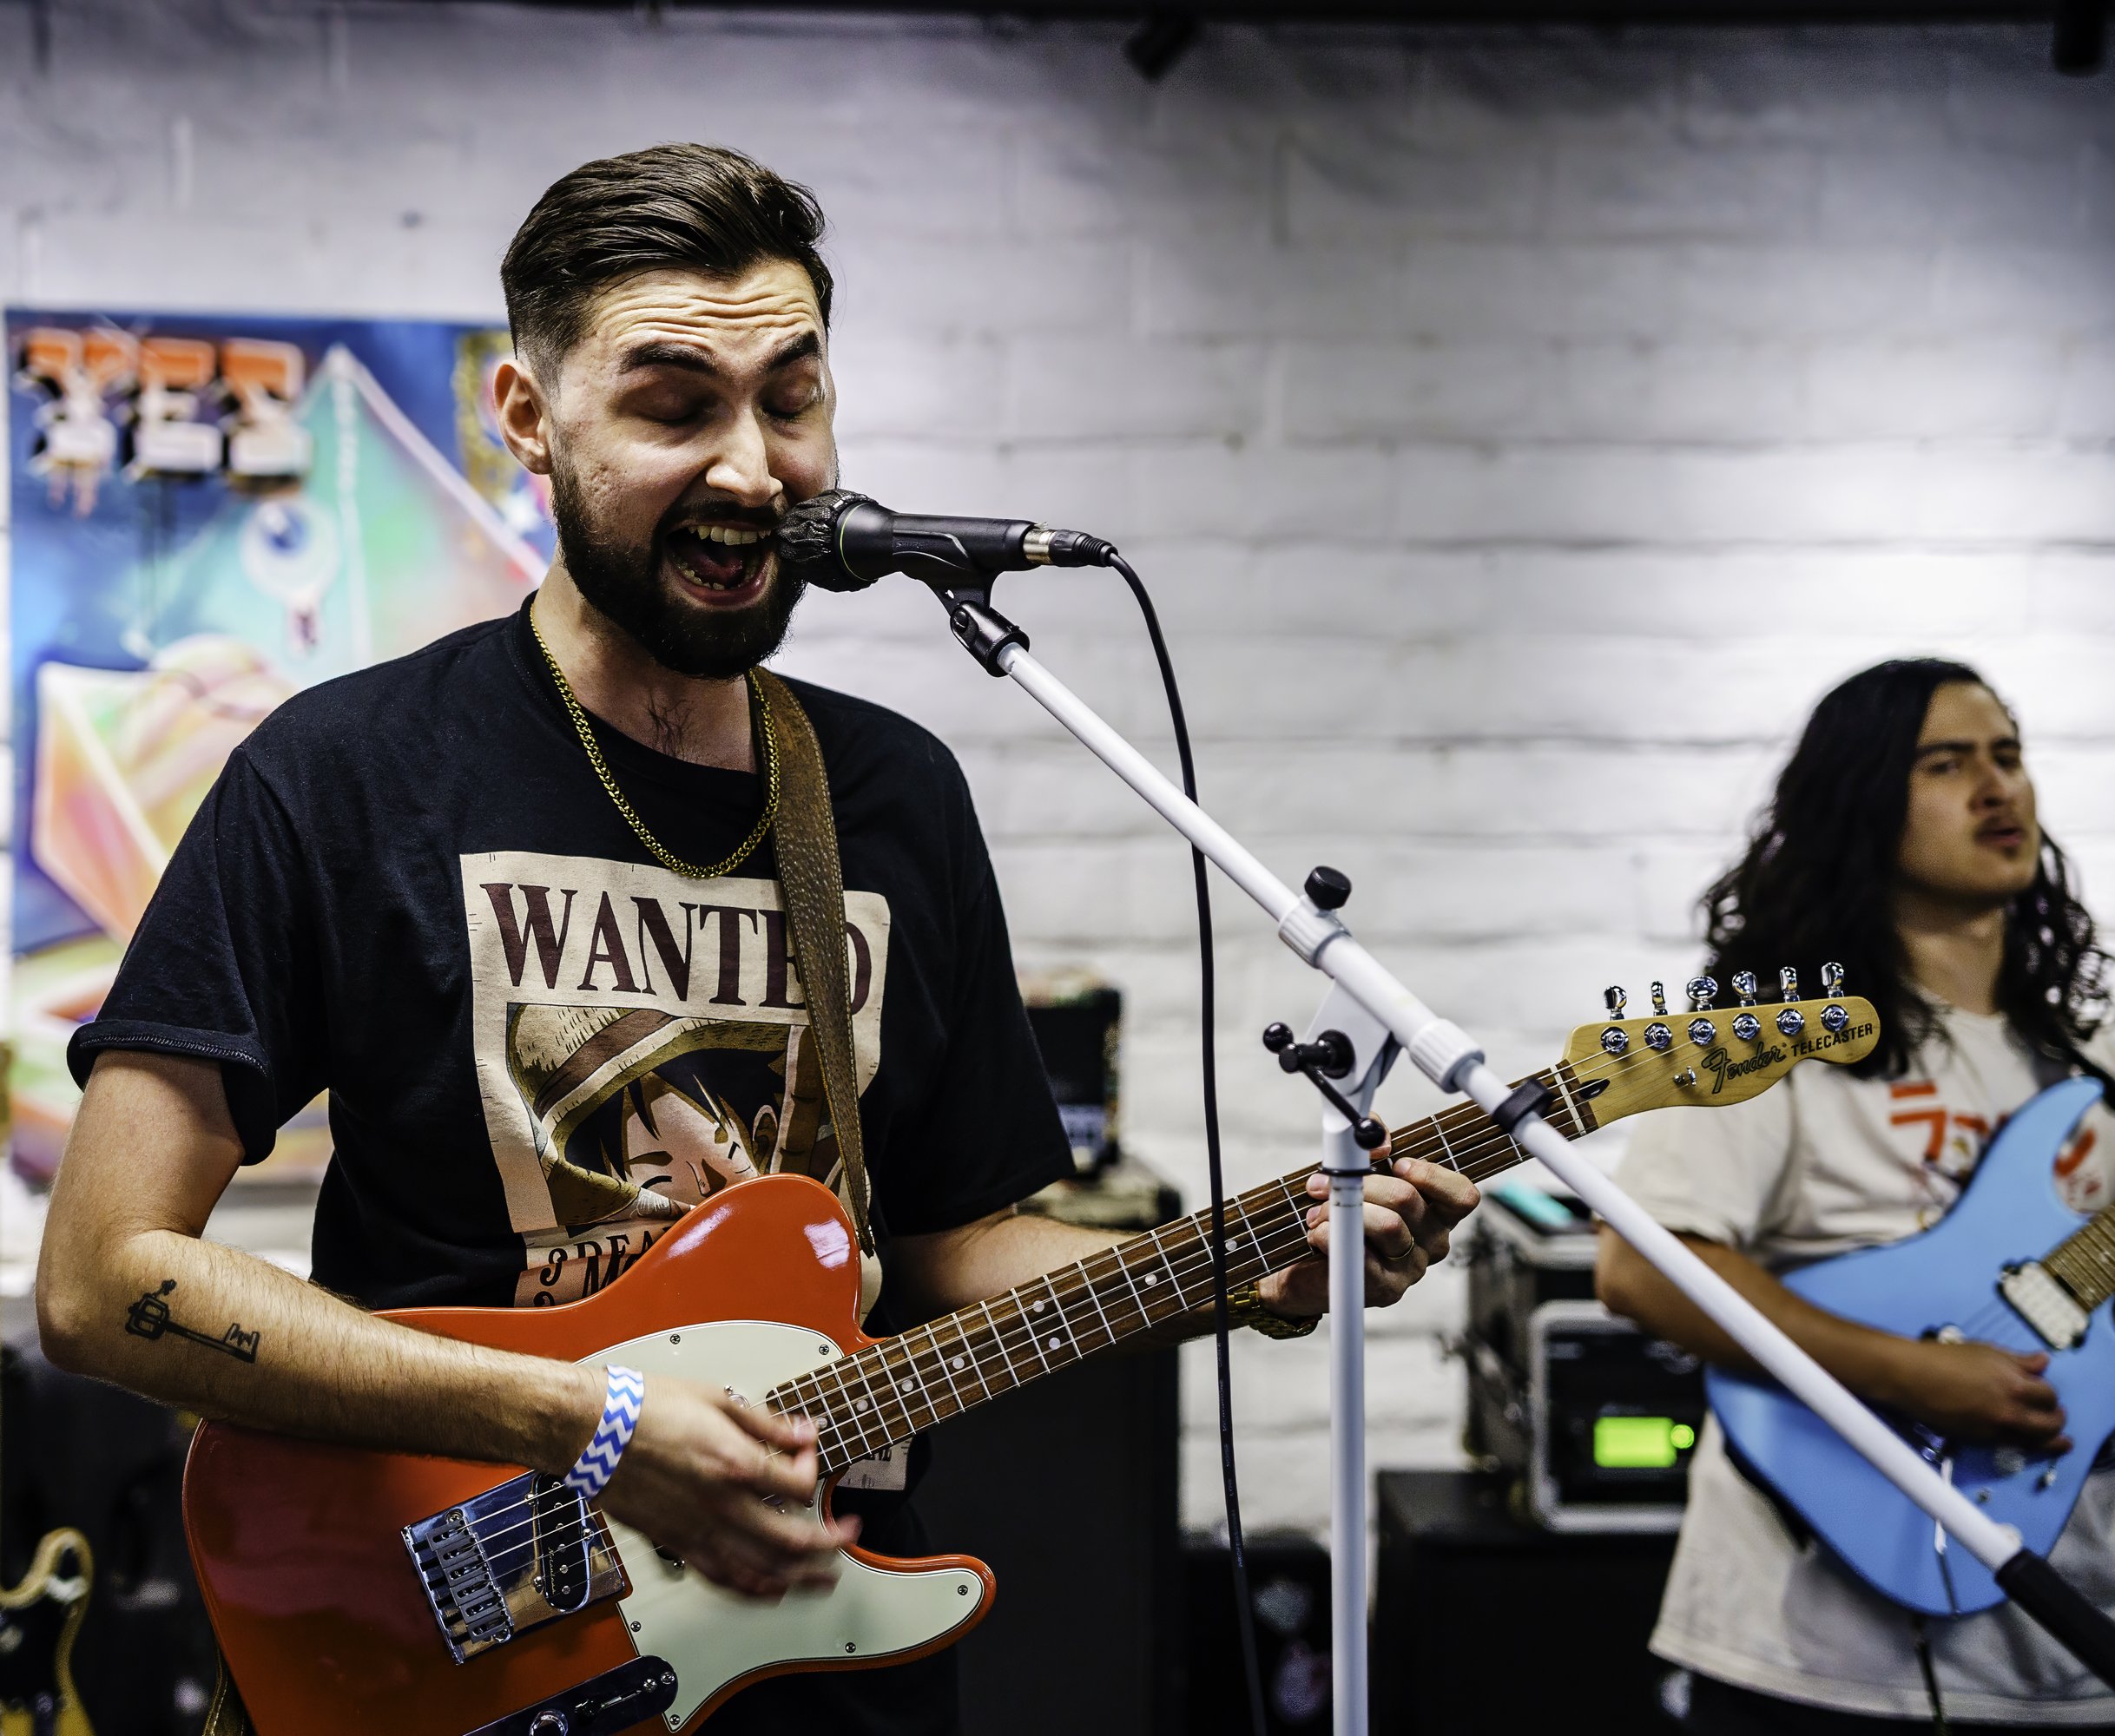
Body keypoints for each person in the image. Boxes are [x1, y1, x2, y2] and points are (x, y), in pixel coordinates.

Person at [31, 143, 1478, 1736]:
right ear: (529, 422)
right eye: (674, 405)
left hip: (814, 1646)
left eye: (791, 399)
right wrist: (585, 1417)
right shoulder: (341, 776)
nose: (753, 466)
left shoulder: (889, 796)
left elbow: (936, 1242)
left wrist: (1226, 1274)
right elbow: (103, 1281)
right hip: (470, 1630)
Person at [1596, 659, 2115, 1731]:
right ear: (1860, 802)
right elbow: (1643, 1268)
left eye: (2008, 755)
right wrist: (1917, 1371)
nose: (1997, 788)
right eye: (1946, 765)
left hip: (2097, 1630)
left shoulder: (2087, 1059)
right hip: (1818, 1645)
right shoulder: (1773, 1034)